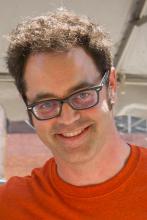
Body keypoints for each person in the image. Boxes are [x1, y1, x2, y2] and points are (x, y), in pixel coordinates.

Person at [0, 8, 147, 220]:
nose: (68, 118)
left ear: (112, 86)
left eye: (82, 94)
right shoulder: (9, 207)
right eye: (46, 103)